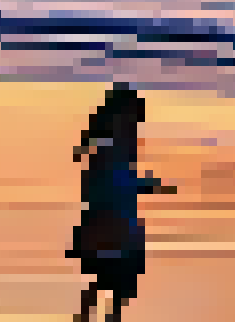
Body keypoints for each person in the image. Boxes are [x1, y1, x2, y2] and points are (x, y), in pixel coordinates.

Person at [69, 85, 174, 322]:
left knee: (106, 278)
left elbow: (108, 182)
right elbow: (116, 181)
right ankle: (91, 318)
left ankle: (88, 318)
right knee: (114, 279)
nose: (137, 125)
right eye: (134, 118)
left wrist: (145, 185)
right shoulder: (110, 145)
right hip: (114, 220)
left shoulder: (109, 143)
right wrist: (149, 185)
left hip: (111, 218)